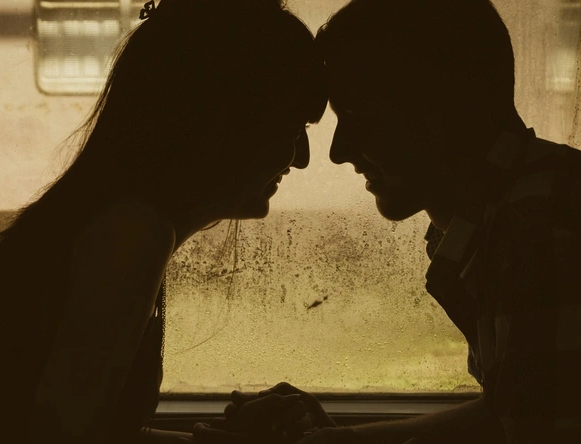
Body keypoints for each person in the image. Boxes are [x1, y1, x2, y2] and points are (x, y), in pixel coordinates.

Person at [0, 0, 326, 443]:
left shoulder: (111, 217)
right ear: (227, 123)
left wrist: (207, 438)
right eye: (291, 129)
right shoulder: (131, 236)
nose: (302, 158)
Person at [221, 0, 581, 443]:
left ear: (445, 115)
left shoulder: (537, 230)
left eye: (361, 120)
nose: (338, 152)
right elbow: (511, 410)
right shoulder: (517, 210)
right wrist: (344, 439)